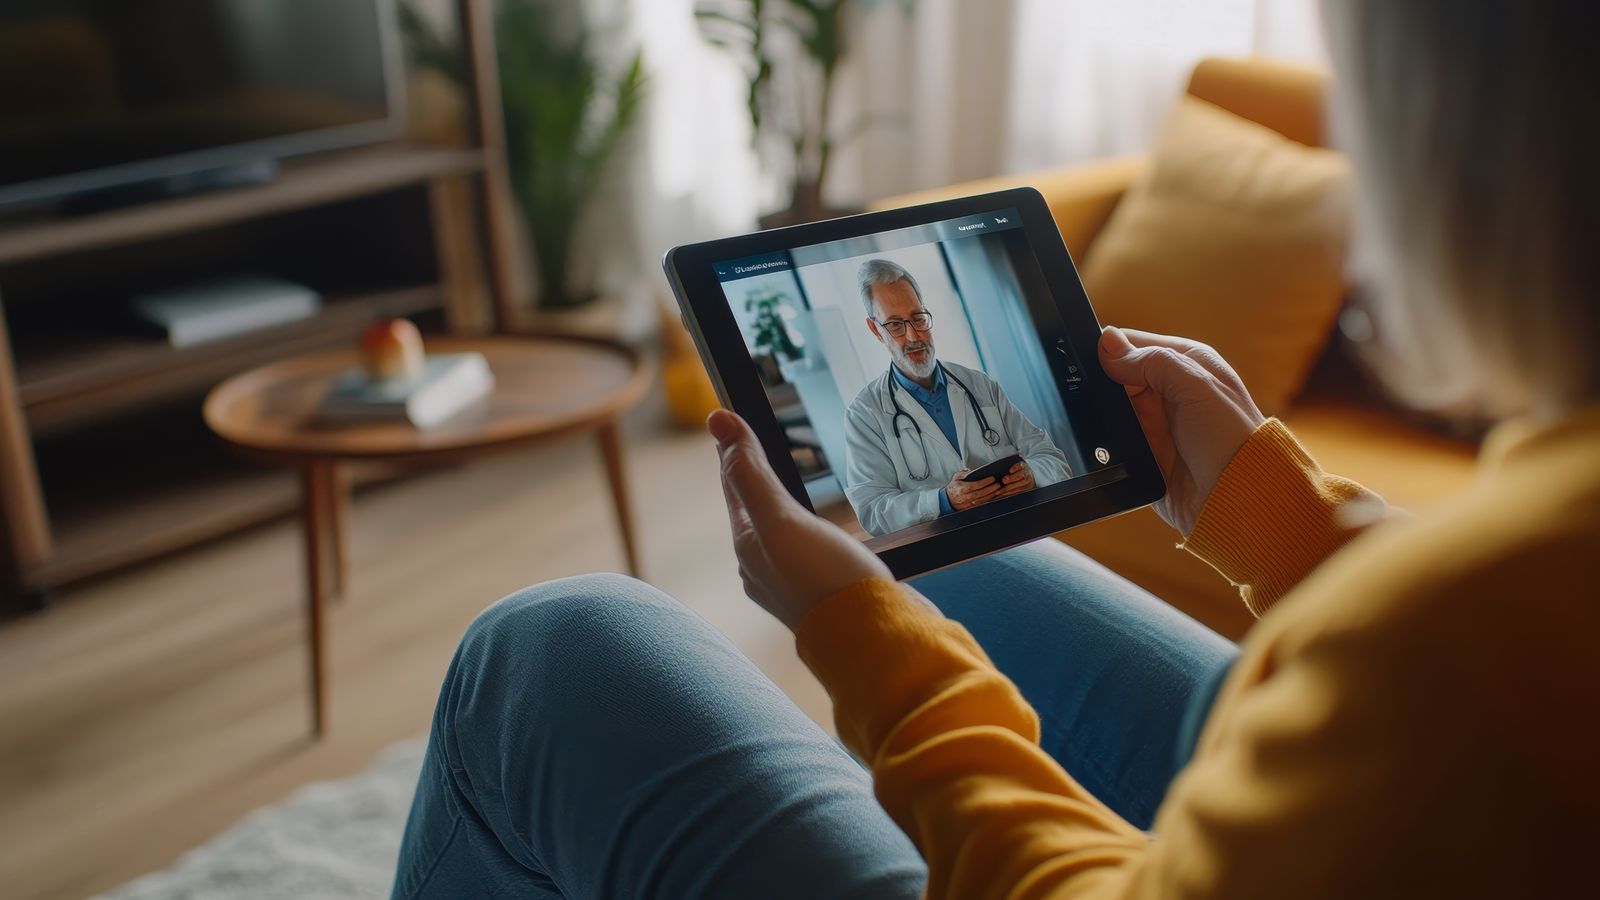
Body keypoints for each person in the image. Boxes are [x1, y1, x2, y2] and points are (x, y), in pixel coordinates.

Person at [391, 2, 1599, 897]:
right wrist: (1277, 514)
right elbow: (951, 491)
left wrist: (869, 644)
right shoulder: (1505, 585)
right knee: (967, 560)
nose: (915, 329)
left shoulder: (1431, 651)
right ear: (875, 329)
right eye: (900, 320)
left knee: (550, 643)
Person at [842, 258, 1071, 535]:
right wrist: (943, 500)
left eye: (917, 318)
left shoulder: (980, 384)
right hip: (946, 550)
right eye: (895, 325)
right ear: (875, 329)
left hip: (1023, 533)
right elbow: (873, 512)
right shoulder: (864, 415)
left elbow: (1052, 458)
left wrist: (1032, 474)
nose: (914, 336)